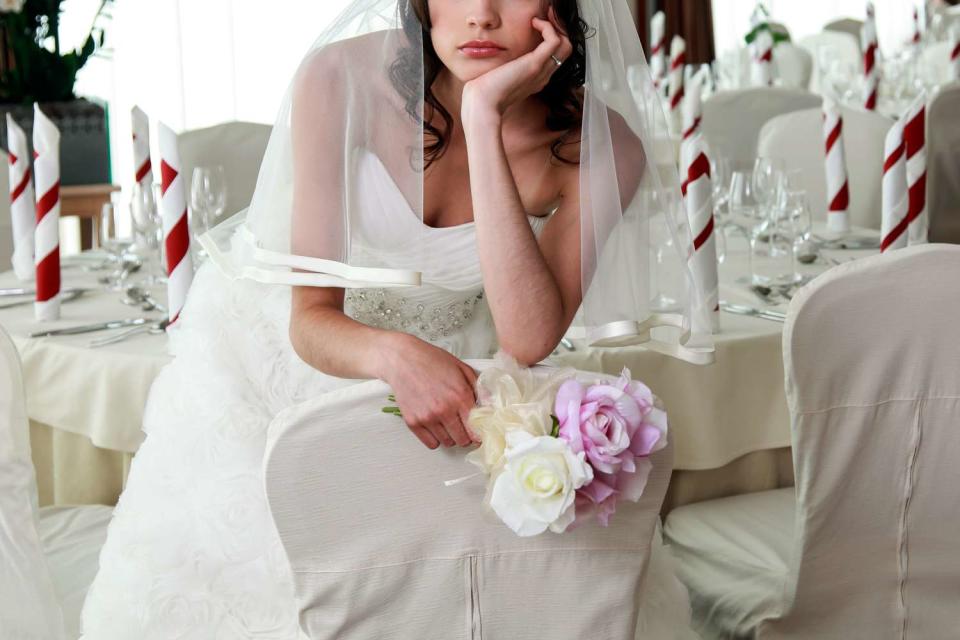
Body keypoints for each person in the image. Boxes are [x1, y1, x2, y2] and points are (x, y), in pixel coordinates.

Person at [80, 1, 707, 637]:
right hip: (280, 357)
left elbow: (527, 337)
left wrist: (482, 117)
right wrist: (393, 354)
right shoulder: (340, 77)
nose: (481, 16)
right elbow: (310, 318)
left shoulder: (605, 146)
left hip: (458, 361)